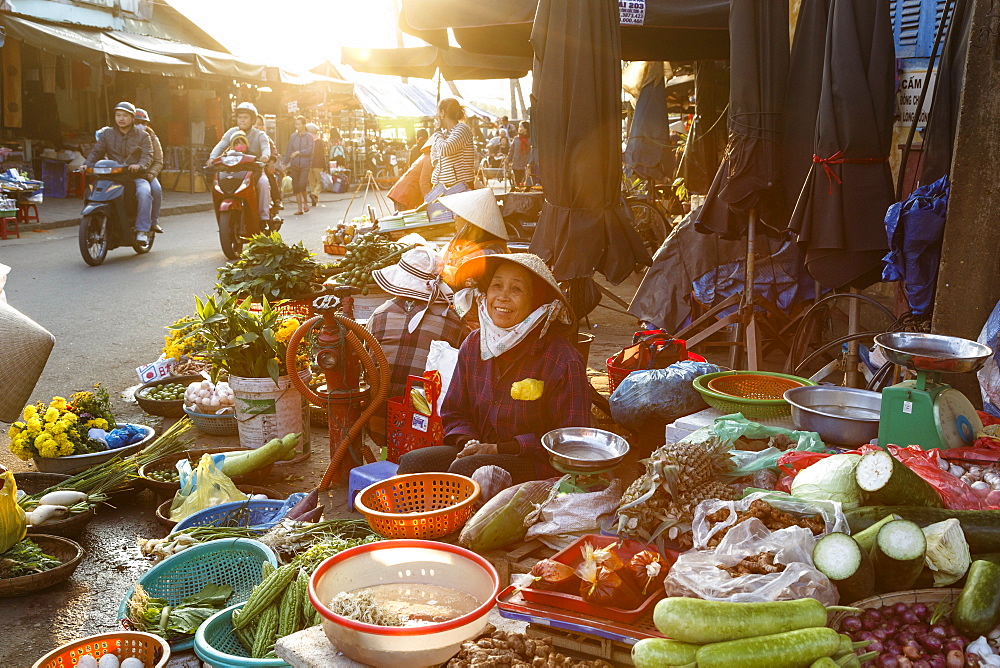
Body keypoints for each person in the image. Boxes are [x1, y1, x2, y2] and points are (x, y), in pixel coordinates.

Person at [396, 253, 589, 483]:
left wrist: (500, 449)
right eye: (496, 286)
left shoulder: (562, 360)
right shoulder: (474, 344)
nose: (502, 297)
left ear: (537, 300)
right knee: (413, 464)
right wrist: (469, 442)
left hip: (537, 464)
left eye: (516, 289)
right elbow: (455, 410)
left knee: (466, 471)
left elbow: (571, 439)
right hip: (477, 453)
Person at [366, 246, 466, 447]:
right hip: (427, 430)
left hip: (376, 422)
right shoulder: (453, 321)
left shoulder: (379, 314)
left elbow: (366, 362)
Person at [85, 101, 154, 244]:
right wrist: (86, 165)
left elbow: (148, 156)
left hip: (134, 176)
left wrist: (139, 165)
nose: (121, 119)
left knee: (144, 193)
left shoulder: (143, 136)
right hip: (112, 176)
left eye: (125, 116)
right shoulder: (107, 134)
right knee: (93, 191)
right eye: (118, 115)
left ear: (132, 118)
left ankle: (142, 230)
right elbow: (97, 152)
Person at [207, 102, 272, 227]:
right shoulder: (232, 132)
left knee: (263, 184)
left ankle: (264, 218)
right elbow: (221, 145)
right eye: (240, 117)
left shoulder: (260, 134)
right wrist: (212, 158)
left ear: (253, 120)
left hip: (255, 170)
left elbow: (265, 147)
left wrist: (265, 156)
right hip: (234, 171)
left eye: (246, 118)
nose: (242, 120)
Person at [437, 188, 509, 290]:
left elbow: (459, 279)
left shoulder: (487, 253)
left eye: (458, 215)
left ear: (469, 224)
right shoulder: (464, 246)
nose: (454, 218)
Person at [430, 98, 476, 191]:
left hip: (460, 186)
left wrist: (437, 130)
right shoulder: (444, 133)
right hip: (442, 185)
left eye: (437, 112)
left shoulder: (462, 129)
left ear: (442, 113)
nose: (435, 116)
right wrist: (439, 165)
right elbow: (433, 151)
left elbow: (444, 149)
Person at [133, 108, 164, 234]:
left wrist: (151, 173)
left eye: (143, 123)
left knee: (155, 189)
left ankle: (153, 221)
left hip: (146, 173)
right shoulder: (122, 135)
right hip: (125, 173)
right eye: (137, 122)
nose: (140, 125)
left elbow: (158, 160)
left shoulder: (151, 137)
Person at [388, 136, 433, 212]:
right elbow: (424, 183)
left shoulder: (426, 156)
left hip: (404, 193)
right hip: (405, 194)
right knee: (403, 221)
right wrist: (431, 202)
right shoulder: (428, 159)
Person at [286, 115, 314, 215]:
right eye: (296, 124)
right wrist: (285, 163)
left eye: (298, 124)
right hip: (294, 164)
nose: (296, 126)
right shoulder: (293, 137)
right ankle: (299, 208)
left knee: (302, 184)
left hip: (305, 164)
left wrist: (298, 152)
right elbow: (289, 150)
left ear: (304, 125)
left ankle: (306, 202)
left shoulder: (309, 137)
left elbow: (309, 150)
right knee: (296, 186)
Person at [254, 115, 282, 210]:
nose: (256, 126)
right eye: (254, 124)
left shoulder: (265, 138)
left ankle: (277, 200)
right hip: (248, 168)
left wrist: (271, 161)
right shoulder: (244, 137)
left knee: (270, 178)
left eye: (259, 125)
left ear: (263, 127)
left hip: (262, 167)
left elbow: (273, 151)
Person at [306, 122, 328, 208]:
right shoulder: (319, 142)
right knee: (320, 182)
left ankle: (314, 198)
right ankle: (314, 194)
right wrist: (325, 166)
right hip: (318, 165)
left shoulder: (306, 141)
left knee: (312, 183)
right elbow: (322, 155)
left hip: (308, 165)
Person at [507, 121, 533, 189]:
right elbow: (511, 150)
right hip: (516, 163)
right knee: (517, 181)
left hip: (526, 164)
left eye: (520, 127)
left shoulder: (531, 140)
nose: (519, 128)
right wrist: (508, 159)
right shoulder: (516, 139)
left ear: (526, 129)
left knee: (525, 182)